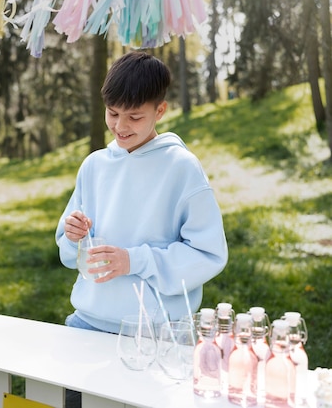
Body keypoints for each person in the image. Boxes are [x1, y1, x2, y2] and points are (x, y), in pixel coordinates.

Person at [56, 51, 228, 333]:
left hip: (156, 331)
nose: (120, 127)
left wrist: (132, 261)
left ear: (160, 111)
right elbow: (68, 252)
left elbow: (208, 254)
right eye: (113, 113)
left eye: (134, 117)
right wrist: (73, 235)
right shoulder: (94, 166)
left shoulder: (182, 168)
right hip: (86, 322)